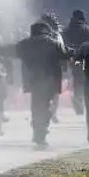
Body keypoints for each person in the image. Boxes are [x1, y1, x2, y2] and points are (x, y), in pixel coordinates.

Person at [15, 21, 70, 149]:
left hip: (34, 82)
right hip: (49, 82)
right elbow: (65, 54)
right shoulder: (53, 43)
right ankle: (41, 132)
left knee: (35, 108)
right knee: (48, 107)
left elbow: (11, 50)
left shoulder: (25, 43)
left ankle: (37, 132)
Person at [63, 10, 89, 115]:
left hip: (72, 58)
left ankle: (78, 101)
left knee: (77, 80)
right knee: (84, 81)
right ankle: (81, 102)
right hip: (84, 58)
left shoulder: (67, 30)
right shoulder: (86, 29)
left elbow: (63, 44)